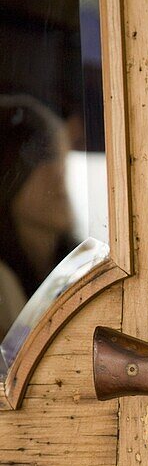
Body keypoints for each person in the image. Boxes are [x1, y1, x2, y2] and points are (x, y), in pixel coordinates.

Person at [0, 95, 77, 339]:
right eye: (40, 156)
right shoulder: (3, 285)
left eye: (60, 155)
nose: (58, 172)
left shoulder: (83, 269)